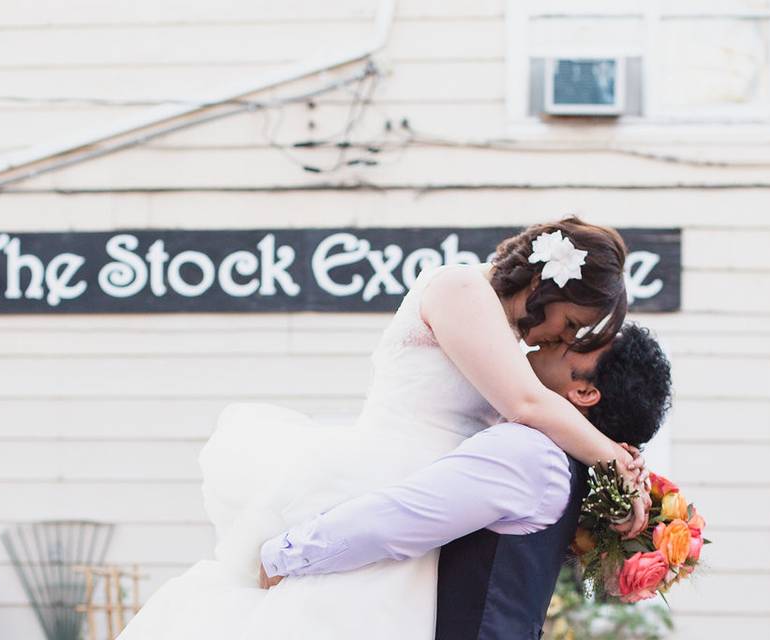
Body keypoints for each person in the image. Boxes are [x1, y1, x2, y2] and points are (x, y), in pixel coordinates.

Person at [116, 217, 653, 640]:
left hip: (433, 512)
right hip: (382, 481)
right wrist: (614, 461)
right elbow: (525, 403)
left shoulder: (511, 347)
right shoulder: (460, 286)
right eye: (573, 323)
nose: (562, 338)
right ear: (546, 280)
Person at [257, 323, 673, 639]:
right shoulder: (572, 465)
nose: (553, 338)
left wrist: (285, 555)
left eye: (576, 343)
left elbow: (398, 521)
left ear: (584, 393)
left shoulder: (531, 455)